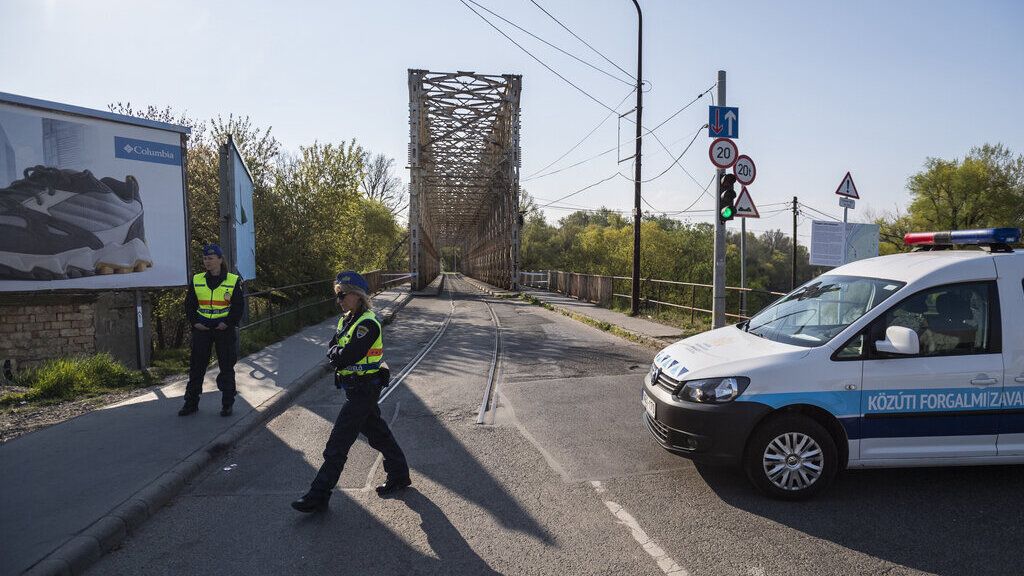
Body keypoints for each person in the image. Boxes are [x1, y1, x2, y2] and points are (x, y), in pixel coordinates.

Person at [291, 270, 411, 513]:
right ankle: (399, 474)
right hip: (355, 388)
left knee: (338, 442)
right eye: (337, 296)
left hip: (365, 389)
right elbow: (332, 349)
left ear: (357, 295)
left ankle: (319, 494)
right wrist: (336, 354)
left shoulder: (367, 323)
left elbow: (345, 356)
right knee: (378, 434)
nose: (339, 300)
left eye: (343, 295)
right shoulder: (346, 320)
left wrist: (336, 355)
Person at [178, 244, 244, 417]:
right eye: (205, 258)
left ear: (220, 260)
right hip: (203, 329)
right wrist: (194, 323)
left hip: (224, 329)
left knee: (226, 367)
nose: (207, 262)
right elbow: (190, 305)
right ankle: (191, 403)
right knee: (197, 367)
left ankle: (227, 404)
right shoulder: (197, 279)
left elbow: (238, 307)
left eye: (211, 258)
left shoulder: (232, 280)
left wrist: (228, 323)